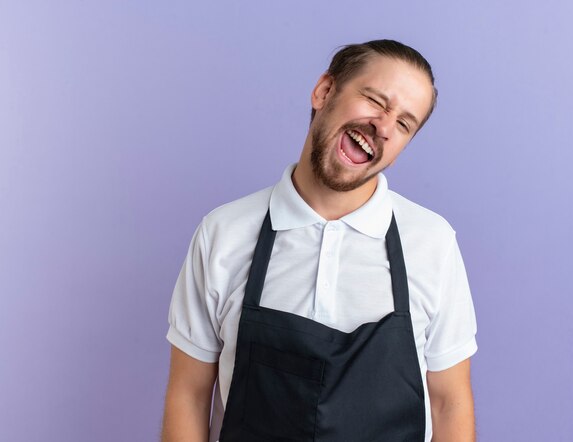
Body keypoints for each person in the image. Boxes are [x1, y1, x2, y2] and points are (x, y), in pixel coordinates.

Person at [161, 39, 477, 442]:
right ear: (324, 91)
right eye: (376, 100)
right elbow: (189, 393)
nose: (383, 126)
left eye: (403, 124)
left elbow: (449, 403)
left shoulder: (432, 242)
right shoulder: (224, 232)